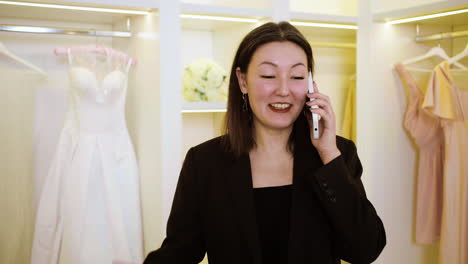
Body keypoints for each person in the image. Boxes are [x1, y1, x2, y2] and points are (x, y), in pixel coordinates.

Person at [144, 21, 386, 264]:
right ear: (243, 81)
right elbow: (180, 252)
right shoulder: (205, 162)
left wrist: (328, 154)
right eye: (269, 75)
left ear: (311, 84)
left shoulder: (337, 154)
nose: (283, 90)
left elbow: (365, 249)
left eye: (297, 76)